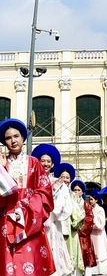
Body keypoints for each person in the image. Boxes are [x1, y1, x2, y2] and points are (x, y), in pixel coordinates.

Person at [0, 118, 56, 276]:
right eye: (8, 138)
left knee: (30, 262)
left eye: (16, 136)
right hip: (6, 221)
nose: (13, 141)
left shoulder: (34, 163)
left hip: (31, 221)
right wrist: (2, 171)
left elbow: (45, 192)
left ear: (23, 138)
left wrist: (27, 210)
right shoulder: (1, 164)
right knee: (9, 264)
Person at [32, 143, 74, 276]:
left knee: (53, 251)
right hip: (34, 222)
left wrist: (50, 201)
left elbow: (66, 207)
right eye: (42, 160)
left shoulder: (60, 185)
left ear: (53, 164)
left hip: (53, 224)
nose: (45, 164)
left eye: (48, 161)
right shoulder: (31, 182)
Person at [71, 179, 97, 275]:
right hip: (73, 234)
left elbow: (90, 218)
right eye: (74, 190)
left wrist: (80, 229)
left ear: (82, 192)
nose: (76, 192)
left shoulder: (86, 205)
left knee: (85, 257)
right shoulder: (69, 203)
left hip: (83, 236)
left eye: (78, 190)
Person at [85, 190, 107, 275]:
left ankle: (101, 269)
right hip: (91, 234)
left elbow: (101, 224)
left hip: (99, 235)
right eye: (89, 199)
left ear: (96, 200)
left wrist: (91, 220)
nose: (90, 201)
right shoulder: (88, 209)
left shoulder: (100, 209)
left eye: (92, 199)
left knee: (100, 251)